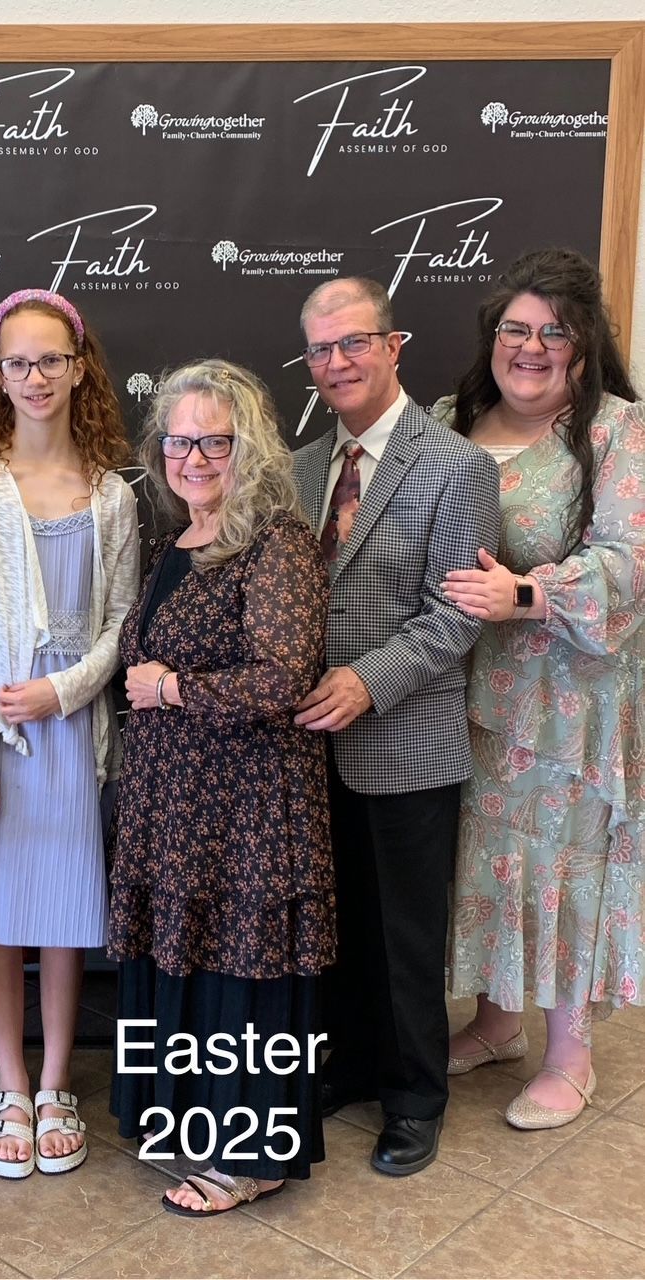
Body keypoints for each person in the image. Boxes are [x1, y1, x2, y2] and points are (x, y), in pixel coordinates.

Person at [108, 359, 336, 1216]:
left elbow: (283, 675)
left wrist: (173, 689)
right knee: (193, 958)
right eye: (179, 441)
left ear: (252, 449)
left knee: (245, 967)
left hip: (248, 804)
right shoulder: (177, 540)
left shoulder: (276, 541)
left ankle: (251, 1156)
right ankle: (190, 1121)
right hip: (175, 799)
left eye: (215, 441)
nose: (194, 457)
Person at [292, 276, 500, 1175]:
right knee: (334, 927)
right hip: (308, 747)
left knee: (407, 935)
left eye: (354, 342)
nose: (338, 361)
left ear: (392, 344)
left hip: (407, 742)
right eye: (321, 349)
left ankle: (415, 1097)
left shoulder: (456, 466)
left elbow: (457, 615)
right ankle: (349, 1066)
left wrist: (367, 683)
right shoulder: (300, 468)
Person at [0, 288, 139, 1178]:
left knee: (62, 916)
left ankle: (56, 1084)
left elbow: (123, 623)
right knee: (1, 919)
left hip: (73, 735)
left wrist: (63, 690)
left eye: (51, 359)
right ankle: (9, 1085)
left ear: (79, 366)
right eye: (17, 362)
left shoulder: (112, 494)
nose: (35, 376)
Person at [434, 248, 644, 1129]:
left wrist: (525, 595)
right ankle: (496, 1022)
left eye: (554, 333)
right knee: (487, 860)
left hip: (568, 707)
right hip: (468, 694)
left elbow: (629, 563)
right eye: (515, 329)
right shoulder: (448, 421)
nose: (530, 348)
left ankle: (570, 1053)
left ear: (585, 345)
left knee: (561, 865)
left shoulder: (618, 432)